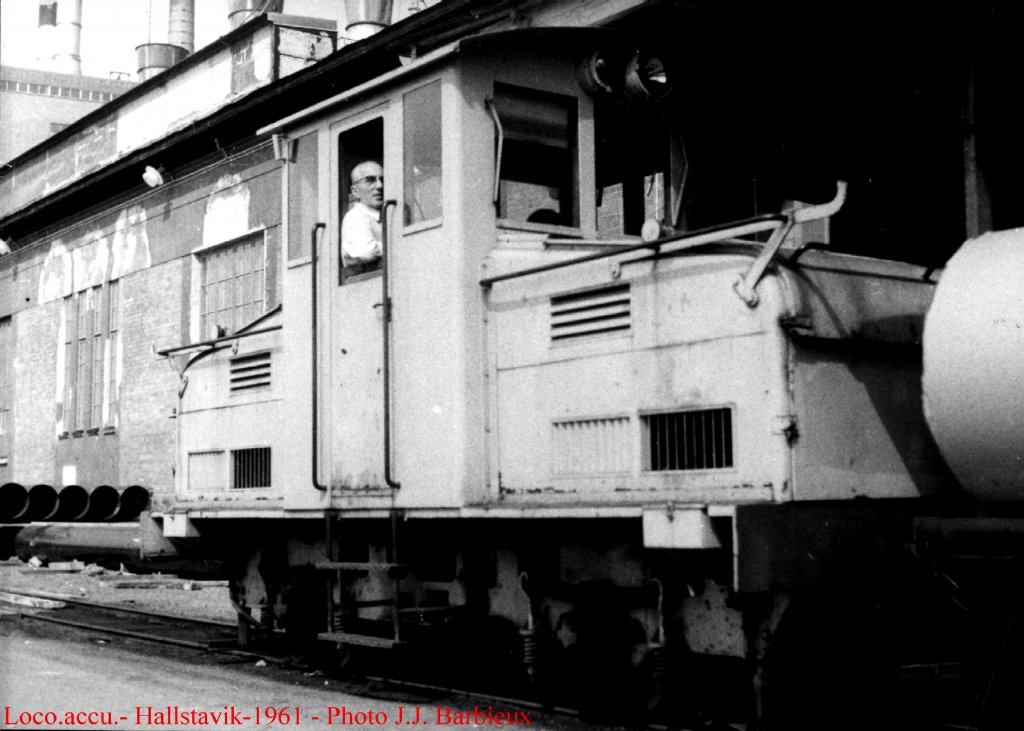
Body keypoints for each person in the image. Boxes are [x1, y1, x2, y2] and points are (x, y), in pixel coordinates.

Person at [341, 161, 384, 267]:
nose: (380, 185)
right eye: (370, 180)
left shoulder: (389, 215)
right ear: (355, 191)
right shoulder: (354, 217)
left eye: (382, 180)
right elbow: (366, 252)